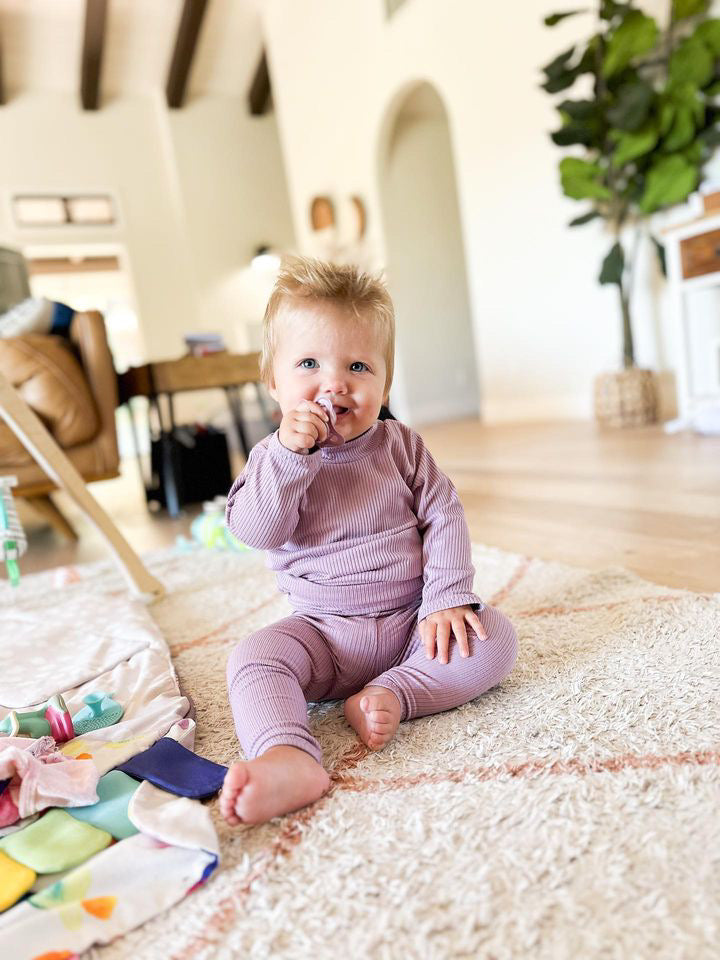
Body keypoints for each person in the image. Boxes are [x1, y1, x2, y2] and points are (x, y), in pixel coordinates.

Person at [219, 256, 518, 826]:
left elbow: (443, 513)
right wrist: (289, 458)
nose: (335, 383)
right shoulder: (270, 459)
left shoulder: (401, 446)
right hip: (323, 636)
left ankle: (393, 694)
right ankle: (288, 757)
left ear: (383, 383)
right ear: (274, 382)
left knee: (496, 638)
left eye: (358, 365)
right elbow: (257, 530)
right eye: (309, 363)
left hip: (414, 625)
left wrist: (447, 597)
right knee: (252, 660)